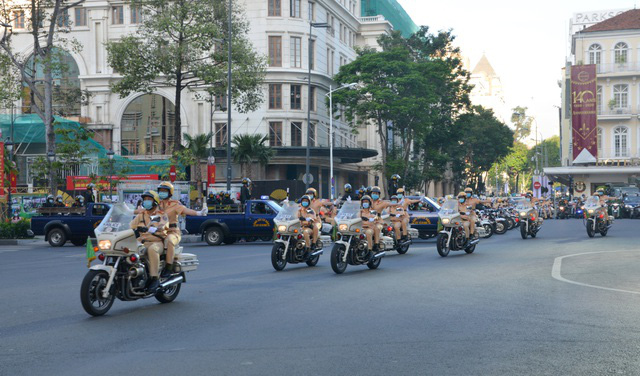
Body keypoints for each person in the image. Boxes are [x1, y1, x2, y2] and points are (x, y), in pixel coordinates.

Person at [156, 182, 208, 278]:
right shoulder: (156, 205)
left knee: (170, 241)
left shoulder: (175, 204)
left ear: (170, 192)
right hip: (157, 233)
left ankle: (169, 266)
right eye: (161, 191)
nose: (162, 193)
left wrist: (199, 213)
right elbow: (143, 213)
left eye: (164, 191)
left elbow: (186, 211)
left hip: (172, 231)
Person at [130, 191, 168, 292]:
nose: (146, 201)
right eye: (145, 199)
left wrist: (152, 228)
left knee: (152, 250)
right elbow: (130, 225)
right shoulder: (141, 215)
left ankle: (154, 278)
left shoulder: (161, 214)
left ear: (155, 202)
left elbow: (163, 226)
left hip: (156, 241)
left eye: (149, 199)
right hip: (142, 241)